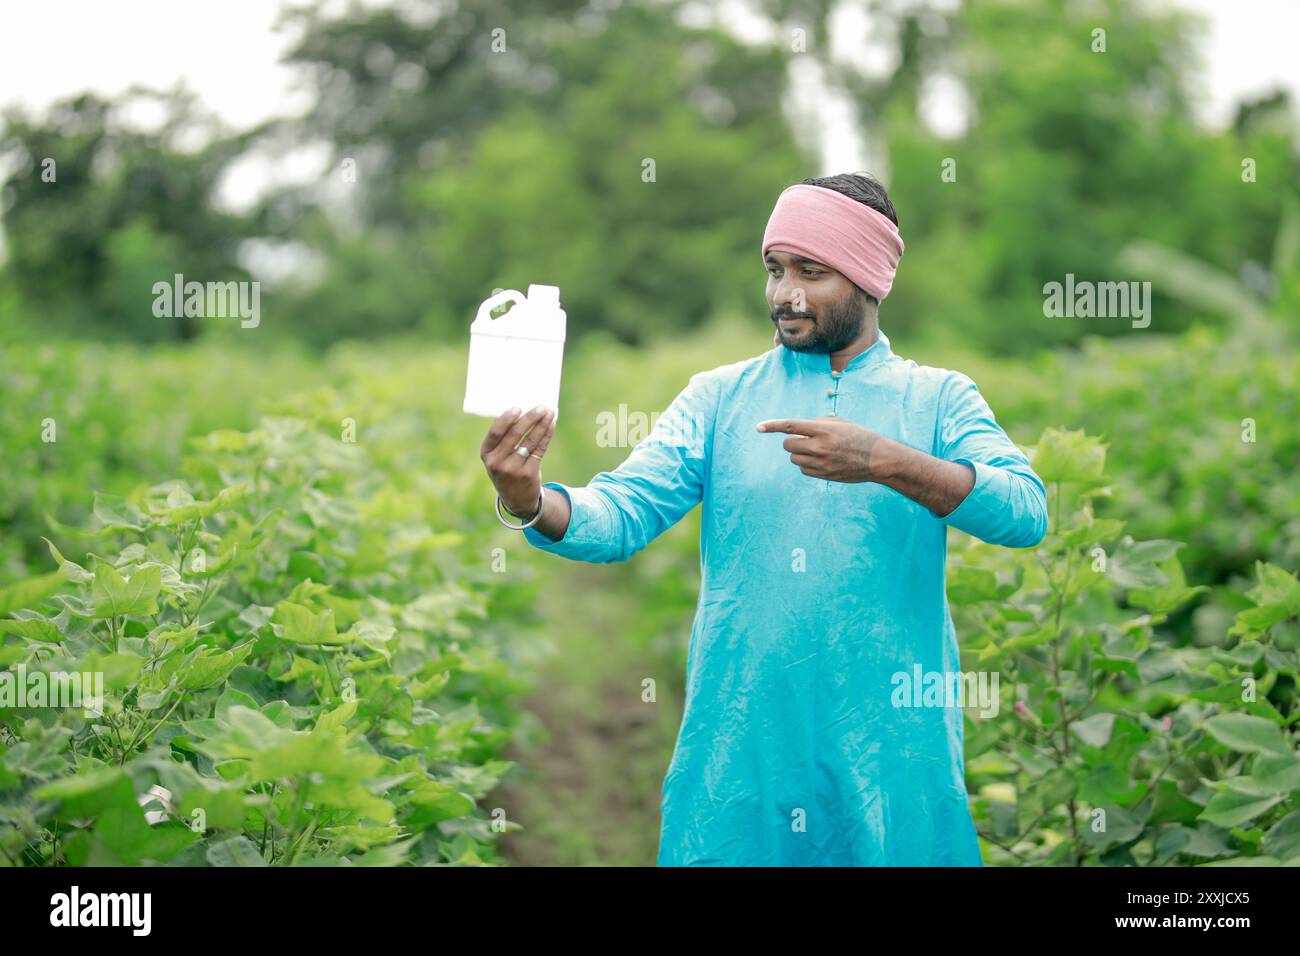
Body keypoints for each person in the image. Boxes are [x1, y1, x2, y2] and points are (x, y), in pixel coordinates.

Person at [479, 171, 1048, 866]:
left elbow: (1024, 512)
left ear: (870, 278)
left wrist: (887, 461)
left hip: (891, 745)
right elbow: (623, 512)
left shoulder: (938, 401)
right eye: (775, 269)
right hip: (744, 739)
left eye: (812, 270)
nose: (785, 293)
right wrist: (530, 500)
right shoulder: (720, 399)